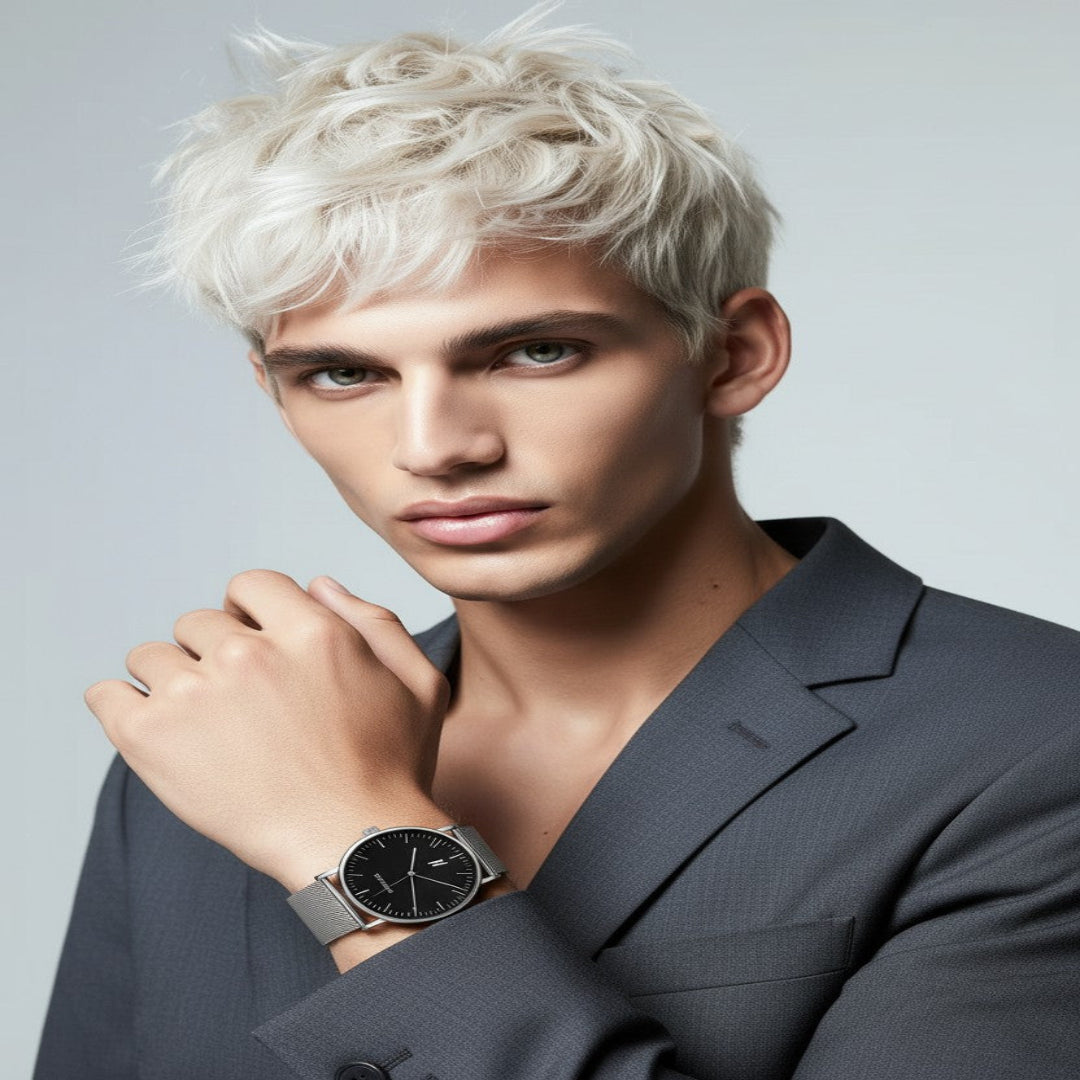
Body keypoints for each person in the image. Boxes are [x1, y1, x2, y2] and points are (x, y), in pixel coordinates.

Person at [34, 4, 1080, 1079]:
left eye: (534, 351)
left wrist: (358, 845)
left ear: (734, 355)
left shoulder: (1043, 744)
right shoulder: (210, 749)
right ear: (273, 389)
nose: (435, 447)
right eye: (345, 373)